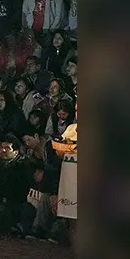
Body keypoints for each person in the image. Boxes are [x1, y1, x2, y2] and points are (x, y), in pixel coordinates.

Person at [52, 101, 78, 246]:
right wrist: (62, 148)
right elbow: (59, 153)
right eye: (76, 110)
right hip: (69, 177)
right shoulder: (71, 128)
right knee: (73, 221)